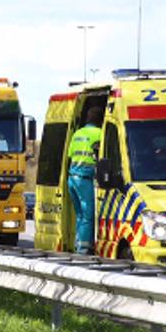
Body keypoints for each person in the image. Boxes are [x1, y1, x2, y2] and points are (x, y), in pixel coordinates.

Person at [66, 107, 104, 254]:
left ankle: (78, 244)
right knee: (88, 216)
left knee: (80, 216)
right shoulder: (100, 133)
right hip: (85, 179)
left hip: (72, 179)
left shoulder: (77, 134)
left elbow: (70, 155)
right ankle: (84, 248)